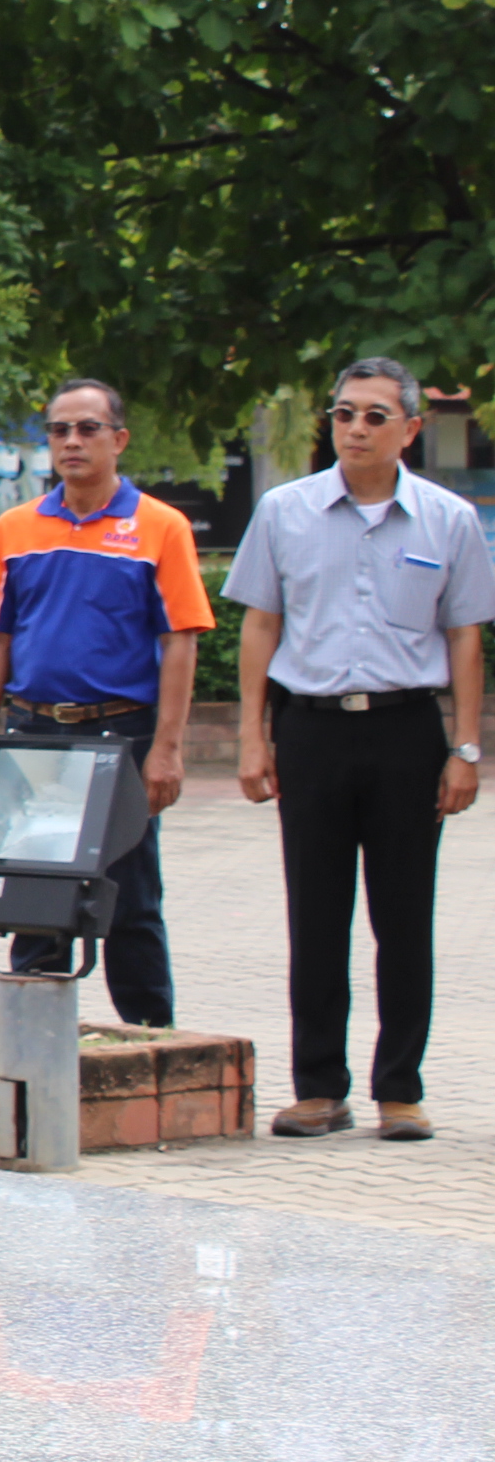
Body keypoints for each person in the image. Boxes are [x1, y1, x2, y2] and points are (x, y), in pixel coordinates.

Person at [228, 357, 493, 1141]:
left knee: (404, 916)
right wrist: (254, 735)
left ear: (410, 429)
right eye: (345, 413)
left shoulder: (447, 519)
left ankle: (400, 1089)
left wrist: (466, 749)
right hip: (309, 728)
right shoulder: (285, 510)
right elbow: (260, 626)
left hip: (407, 731)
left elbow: (466, 637)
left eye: (376, 415)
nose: (356, 428)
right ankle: (318, 1086)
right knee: (316, 913)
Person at [0, 377, 210, 1030]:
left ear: (118, 440)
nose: (72, 441)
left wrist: (168, 748)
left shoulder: (160, 527)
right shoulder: (16, 528)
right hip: (33, 735)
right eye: (59, 429)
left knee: (130, 902)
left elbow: (180, 643)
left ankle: (153, 1043)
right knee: (32, 895)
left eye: (88, 428)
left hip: (120, 736)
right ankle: (31, 1044)